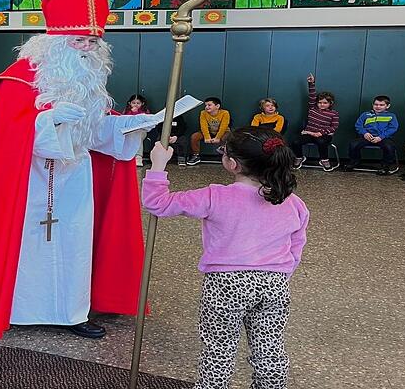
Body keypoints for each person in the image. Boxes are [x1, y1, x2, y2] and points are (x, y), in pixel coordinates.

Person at [0, 0, 161, 352]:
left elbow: (95, 132)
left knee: (74, 241)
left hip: (75, 178)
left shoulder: (88, 78)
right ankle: (15, 309)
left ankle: (73, 312)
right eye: (79, 42)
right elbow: (5, 136)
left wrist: (129, 126)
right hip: (29, 181)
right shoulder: (20, 77)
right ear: (55, 40)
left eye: (92, 43)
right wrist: (45, 122)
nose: (86, 50)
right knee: (28, 245)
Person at [142, 126, 309, 389]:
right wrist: (282, 274)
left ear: (232, 164)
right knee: (270, 351)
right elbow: (297, 244)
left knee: (218, 353)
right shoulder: (292, 201)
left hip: (226, 285)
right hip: (275, 284)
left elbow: (158, 204)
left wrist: (158, 166)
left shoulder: (215, 196)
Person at [291, 74, 339, 171]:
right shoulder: (313, 108)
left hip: (323, 135)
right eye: (320, 102)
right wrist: (311, 83)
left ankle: (324, 160)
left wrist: (321, 133)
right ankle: (299, 157)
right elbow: (312, 95)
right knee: (295, 141)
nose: (322, 104)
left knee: (321, 142)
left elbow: (334, 127)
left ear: (330, 103)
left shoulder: (334, 113)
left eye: (325, 103)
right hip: (309, 133)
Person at [342, 95, 399, 175]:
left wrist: (381, 137)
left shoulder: (391, 116)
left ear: (387, 106)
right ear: (373, 105)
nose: (378, 106)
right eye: (376, 104)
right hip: (367, 137)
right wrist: (364, 133)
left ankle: (385, 166)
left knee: (389, 147)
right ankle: (354, 162)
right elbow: (358, 125)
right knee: (353, 144)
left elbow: (393, 128)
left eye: (381, 105)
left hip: (383, 138)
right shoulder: (365, 114)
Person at [187, 97, 230, 165]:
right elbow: (203, 126)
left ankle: (226, 156)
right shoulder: (203, 113)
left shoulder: (225, 113)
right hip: (208, 132)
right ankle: (196, 156)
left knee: (227, 136)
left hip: (223, 132)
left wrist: (217, 138)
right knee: (194, 136)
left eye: (209, 105)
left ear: (217, 106)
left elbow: (223, 127)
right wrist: (207, 137)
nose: (207, 107)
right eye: (206, 105)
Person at [123, 94, 151, 166]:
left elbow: (147, 122)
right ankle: (128, 156)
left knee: (137, 135)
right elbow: (124, 120)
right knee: (131, 134)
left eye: (138, 103)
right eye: (133, 103)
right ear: (130, 103)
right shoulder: (127, 111)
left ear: (142, 103)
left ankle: (138, 157)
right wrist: (131, 112)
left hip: (141, 131)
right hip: (129, 131)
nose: (135, 105)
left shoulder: (145, 111)